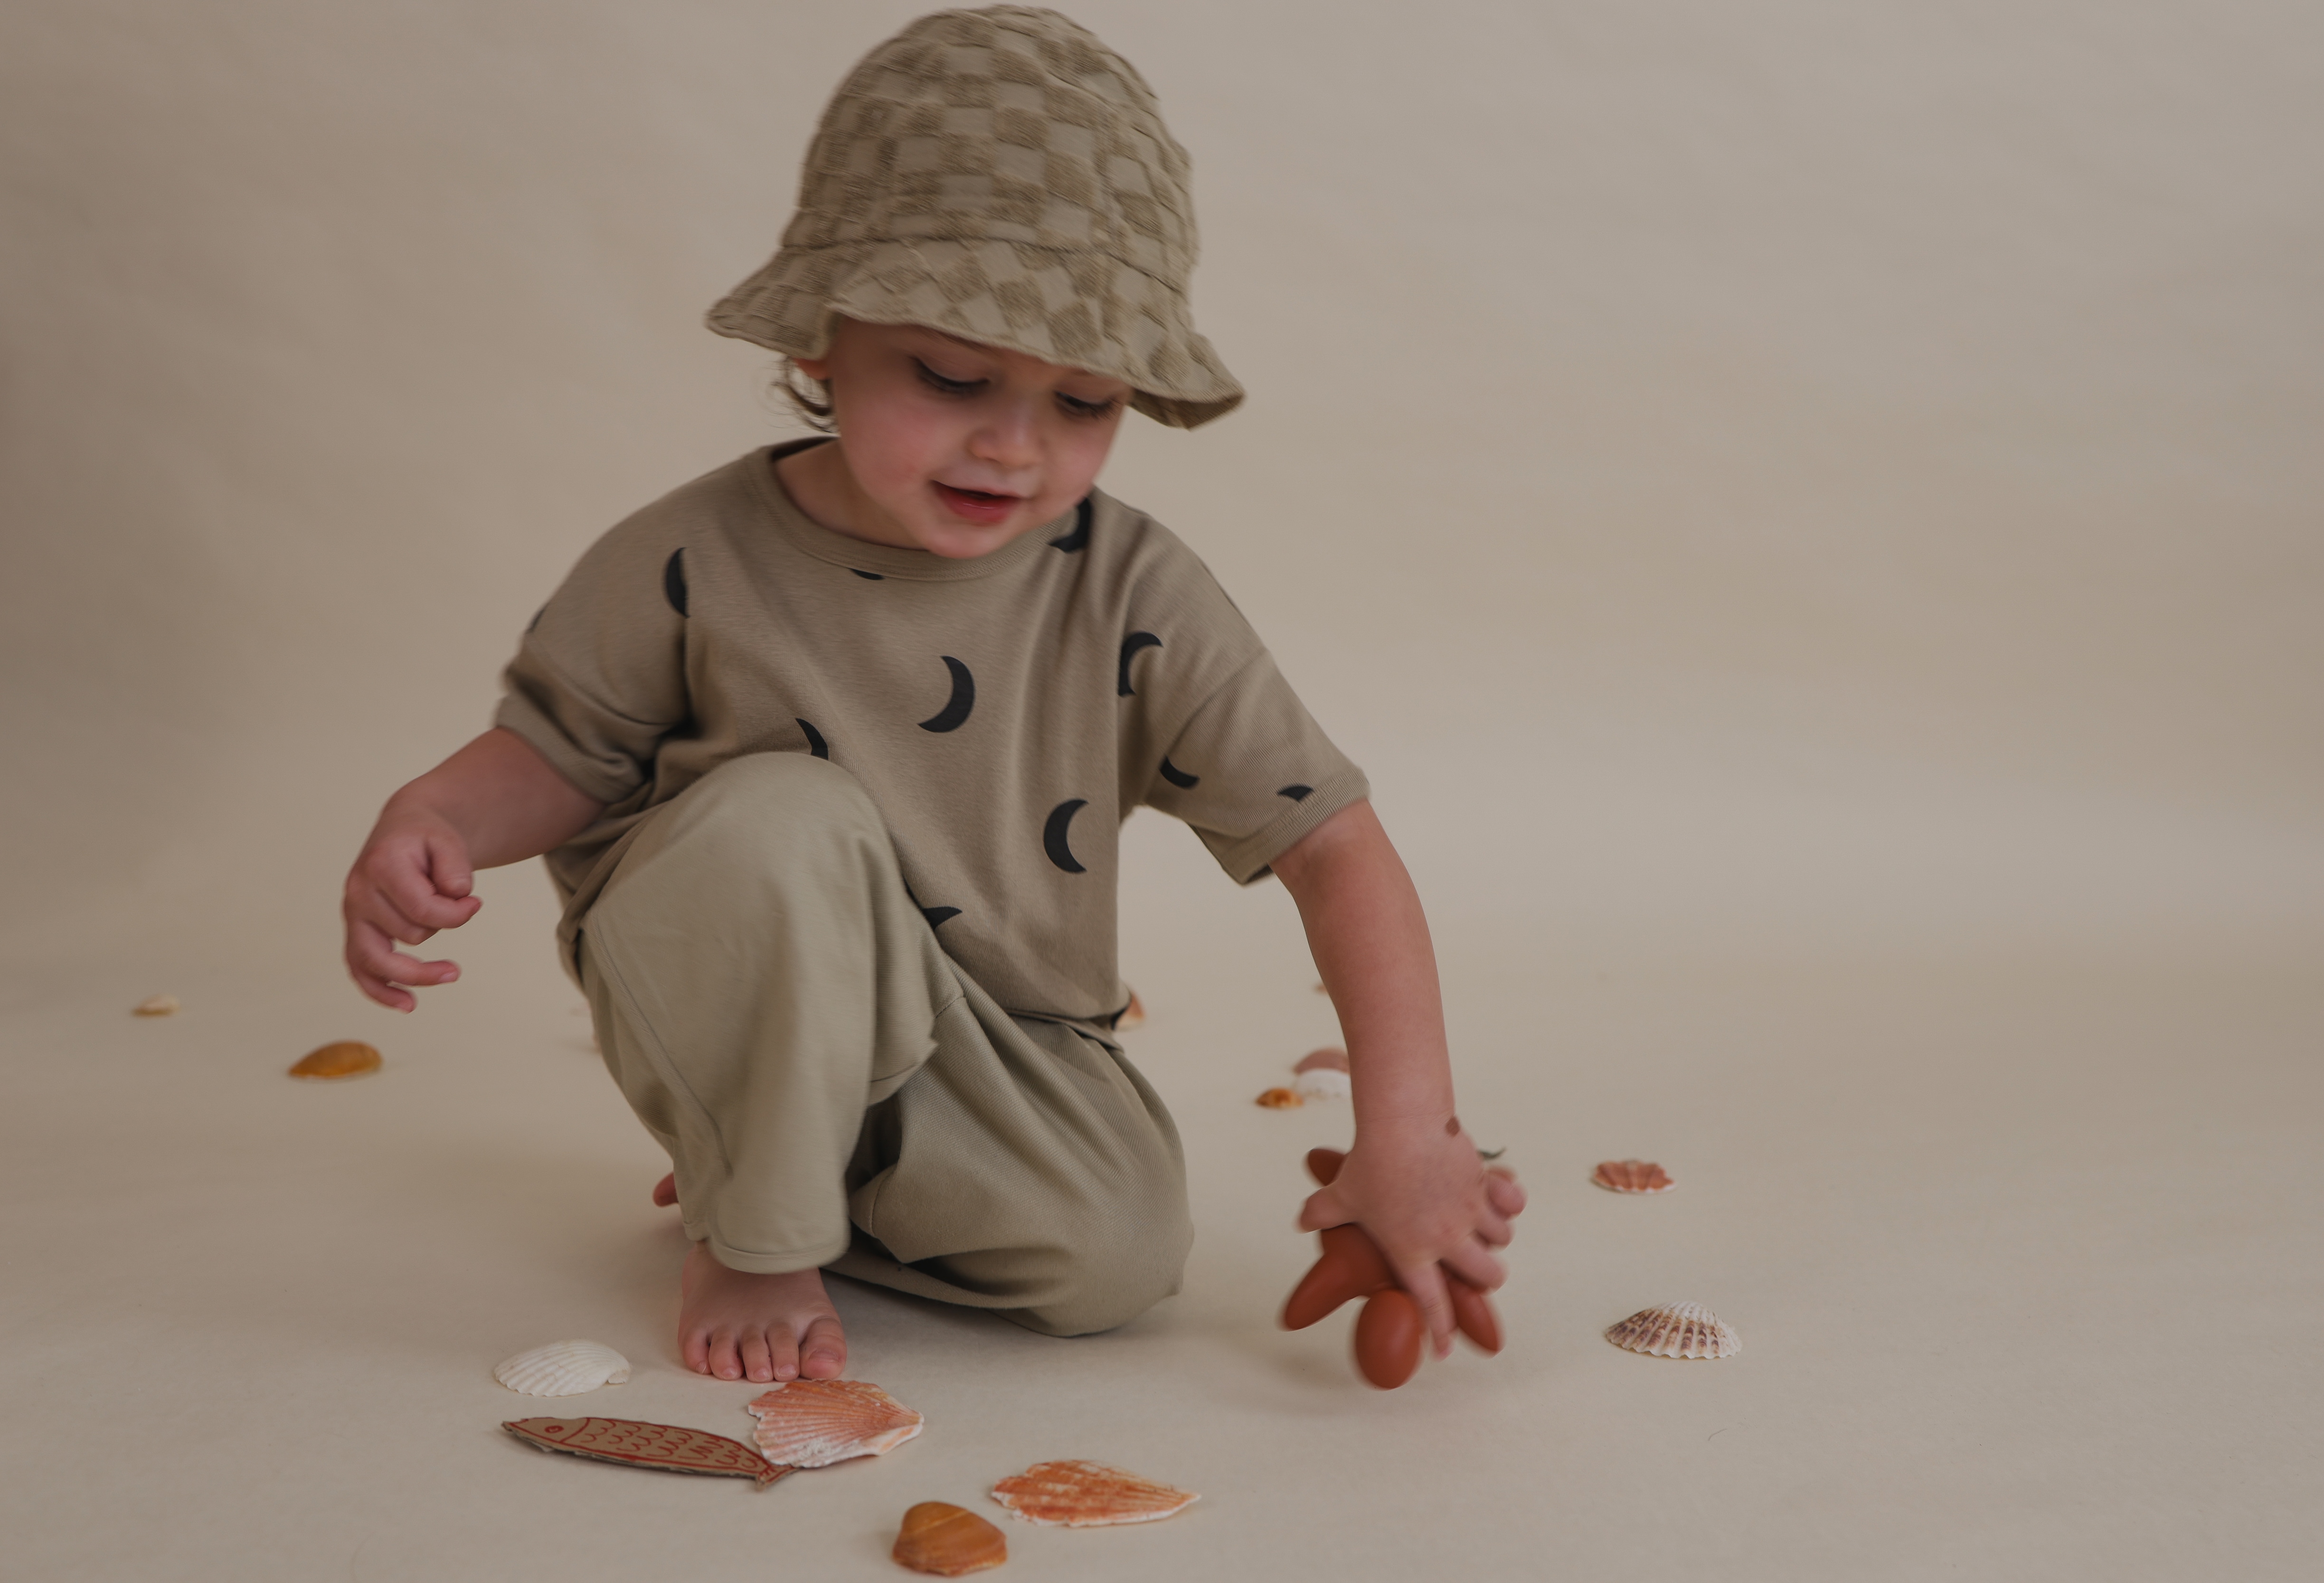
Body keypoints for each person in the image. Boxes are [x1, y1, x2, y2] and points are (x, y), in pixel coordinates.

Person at [339, 5, 1523, 1386]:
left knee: (1118, 1260)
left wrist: (1412, 1134)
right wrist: (439, 817)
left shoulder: (1132, 593)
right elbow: (562, 753)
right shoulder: (694, 556)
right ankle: (755, 1229)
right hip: (725, 960)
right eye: (954, 376)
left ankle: (790, 1165)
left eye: (1082, 402)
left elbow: (1332, 844)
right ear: (821, 340)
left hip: (983, 1038)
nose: (1013, 445)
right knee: (789, 821)